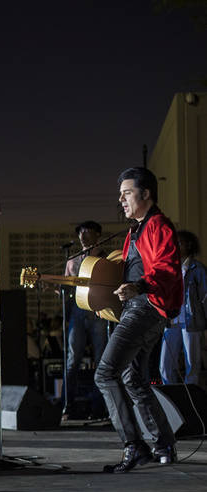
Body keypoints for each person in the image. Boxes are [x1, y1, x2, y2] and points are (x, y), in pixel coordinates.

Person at [95, 167, 182, 472]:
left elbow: (167, 268)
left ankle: (134, 445)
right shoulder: (136, 229)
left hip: (146, 307)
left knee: (105, 373)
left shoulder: (159, 226)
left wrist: (139, 286)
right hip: (139, 307)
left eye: (127, 193)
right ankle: (164, 445)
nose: (121, 199)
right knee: (133, 378)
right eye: (120, 194)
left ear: (146, 194)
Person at [61, 221, 109, 415]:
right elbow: (68, 288)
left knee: (101, 360)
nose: (83, 234)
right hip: (78, 311)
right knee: (73, 360)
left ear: (98, 234)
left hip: (99, 312)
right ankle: (67, 405)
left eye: (87, 231)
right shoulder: (72, 259)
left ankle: (99, 407)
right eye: (80, 231)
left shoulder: (105, 258)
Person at [160, 231, 207, 385]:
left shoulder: (197, 268)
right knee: (165, 365)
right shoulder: (168, 268)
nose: (175, 246)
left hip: (191, 322)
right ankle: (172, 400)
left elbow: (205, 297)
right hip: (171, 321)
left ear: (188, 245)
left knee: (192, 365)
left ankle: (192, 401)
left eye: (179, 243)